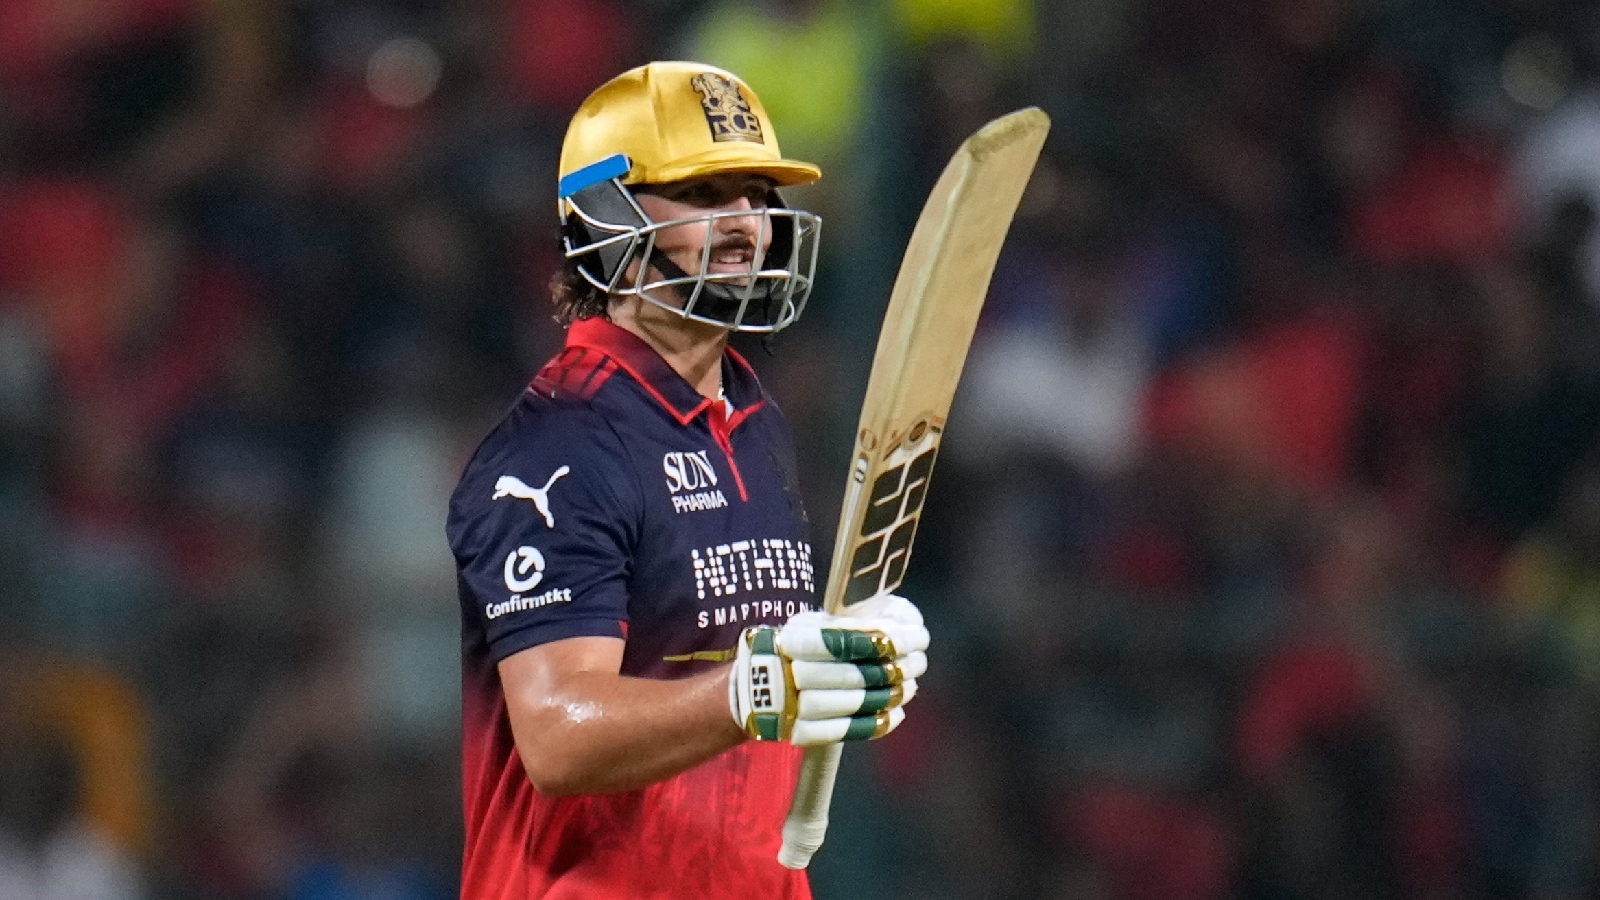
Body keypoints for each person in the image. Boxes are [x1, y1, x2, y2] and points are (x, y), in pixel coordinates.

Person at [446, 62, 929, 900]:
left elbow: (731, 663)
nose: (746, 225)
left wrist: (847, 660)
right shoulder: (558, 446)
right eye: (705, 196)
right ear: (610, 221)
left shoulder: (752, 415)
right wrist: (760, 685)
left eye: (754, 195)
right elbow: (559, 738)